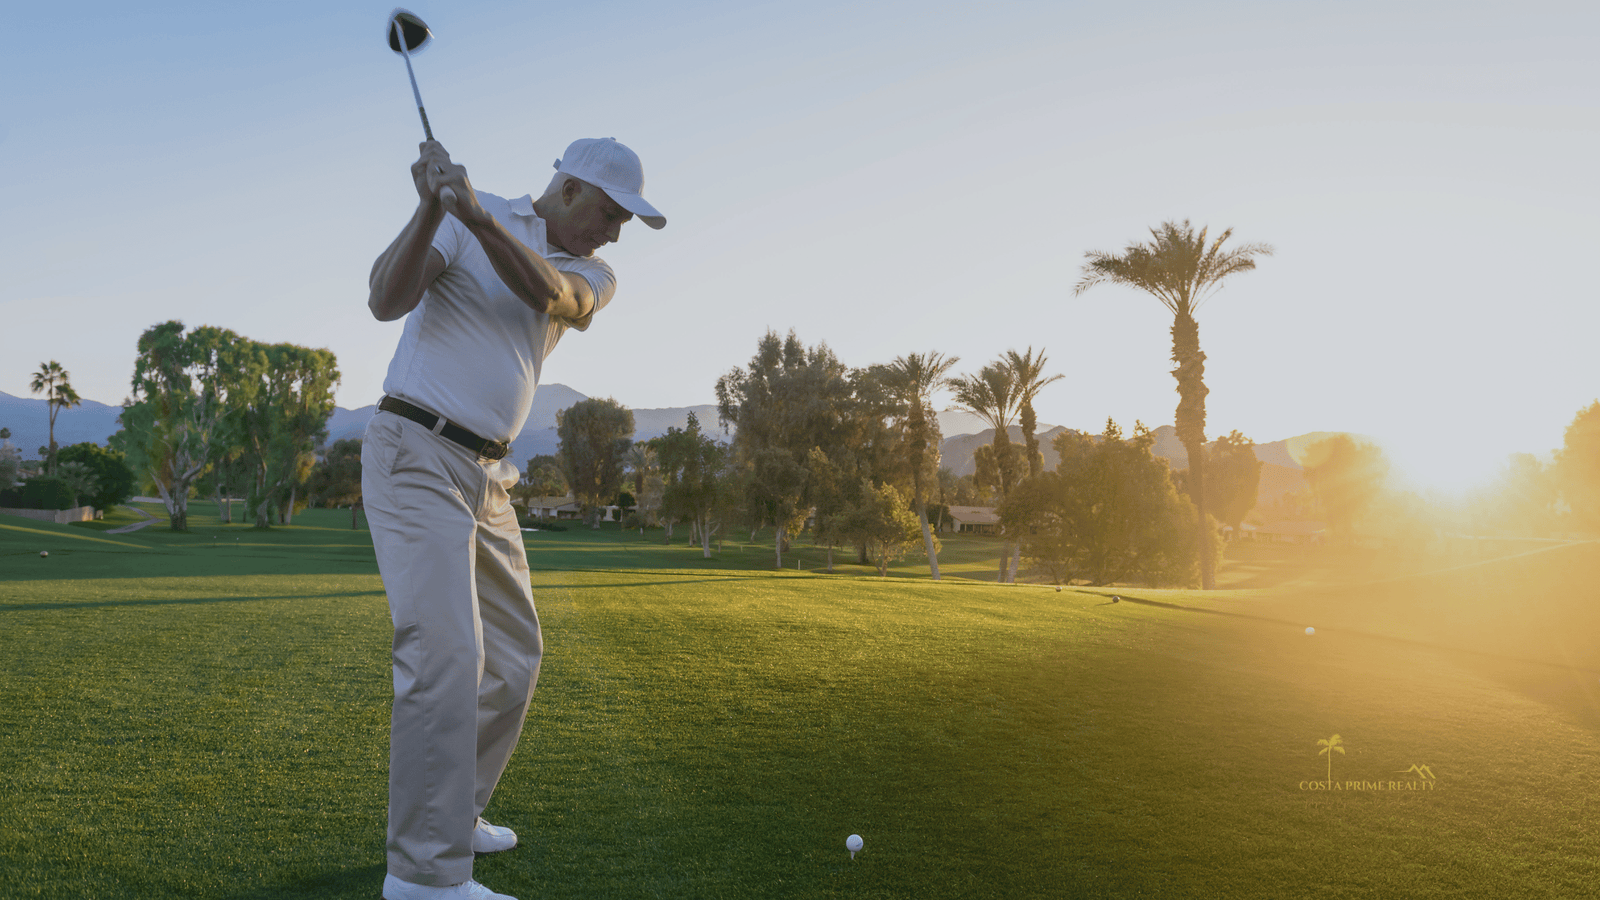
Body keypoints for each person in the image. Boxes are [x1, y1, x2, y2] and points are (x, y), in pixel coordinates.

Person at [363, 137, 665, 900]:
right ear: (569, 189)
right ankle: (424, 877)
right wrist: (434, 204)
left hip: (488, 475)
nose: (616, 231)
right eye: (611, 211)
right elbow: (385, 300)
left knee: (515, 657)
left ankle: (453, 817)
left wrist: (475, 217)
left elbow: (556, 300)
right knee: (444, 655)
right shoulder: (471, 217)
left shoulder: (592, 270)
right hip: (415, 450)